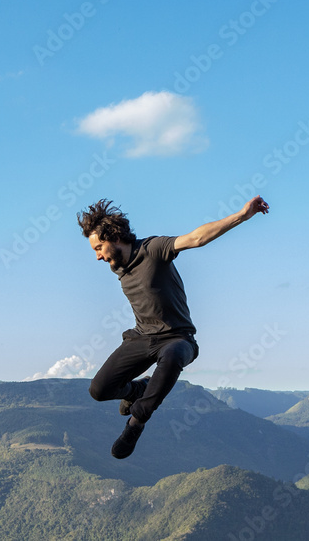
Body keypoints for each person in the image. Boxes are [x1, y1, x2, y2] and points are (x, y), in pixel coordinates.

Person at [77, 195, 270, 459]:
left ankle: (136, 423)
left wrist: (241, 215)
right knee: (98, 390)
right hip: (141, 338)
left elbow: (196, 238)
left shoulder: (153, 248)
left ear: (114, 237)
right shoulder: (119, 268)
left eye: (98, 247)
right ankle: (137, 389)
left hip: (179, 339)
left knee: (172, 355)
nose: (97, 257)